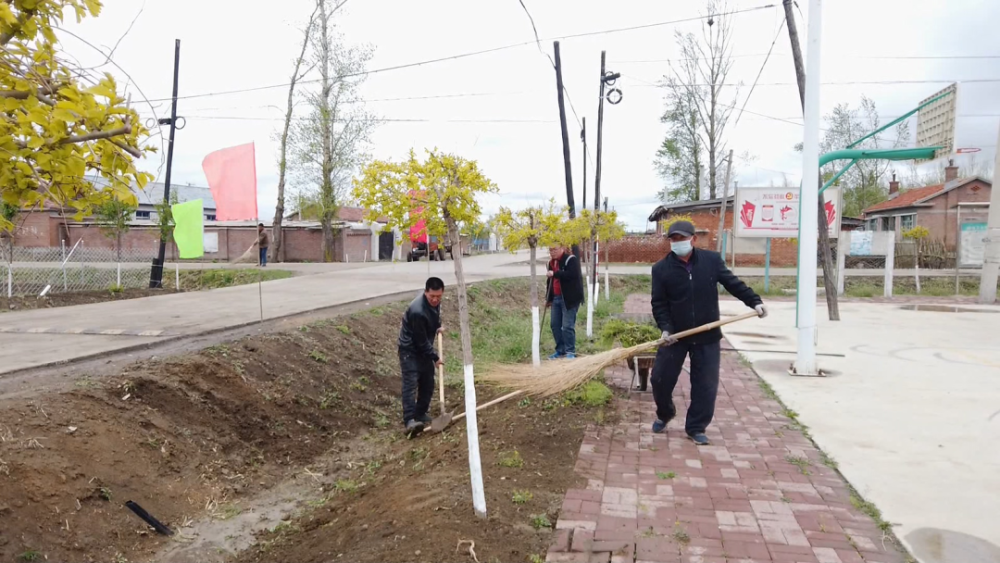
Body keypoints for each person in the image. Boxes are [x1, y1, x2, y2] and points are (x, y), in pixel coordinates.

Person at [650, 220, 767, 446]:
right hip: (676, 336)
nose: (678, 243)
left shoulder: (711, 261)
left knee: (705, 384)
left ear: (693, 239)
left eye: (682, 238)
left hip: (707, 334)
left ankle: (696, 427)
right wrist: (665, 329)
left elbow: (732, 283)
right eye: (673, 239)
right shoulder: (661, 269)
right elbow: (659, 303)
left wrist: (754, 302)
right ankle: (665, 413)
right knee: (659, 379)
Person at [398, 277, 445, 437]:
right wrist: (435, 357)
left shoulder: (436, 303)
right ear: (426, 292)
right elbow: (420, 341)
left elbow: (433, 318)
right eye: (432, 296)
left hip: (423, 348)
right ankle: (409, 420)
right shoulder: (417, 310)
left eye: (438, 296)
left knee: (428, 381)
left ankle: (420, 413)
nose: (435, 299)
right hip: (410, 350)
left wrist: (437, 326)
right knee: (410, 384)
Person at [545, 246, 584, 360]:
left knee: (567, 326)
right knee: (555, 325)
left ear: (562, 248)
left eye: (555, 249)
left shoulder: (571, 259)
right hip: (556, 298)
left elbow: (572, 275)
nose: (552, 252)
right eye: (550, 250)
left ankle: (570, 351)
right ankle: (560, 350)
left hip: (569, 299)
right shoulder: (550, 263)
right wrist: (548, 299)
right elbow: (550, 282)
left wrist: (555, 273)